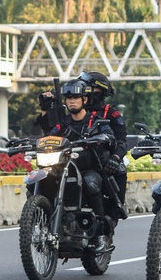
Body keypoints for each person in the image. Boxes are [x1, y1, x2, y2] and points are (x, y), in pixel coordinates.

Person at [49, 79, 116, 252]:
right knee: (41, 180)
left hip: (88, 168)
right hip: (62, 168)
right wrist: (27, 143)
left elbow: (110, 136)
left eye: (76, 97)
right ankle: (39, 222)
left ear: (84, 100)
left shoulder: (95, 121)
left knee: (90, 183)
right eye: (68, 98)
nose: (72, 101)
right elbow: (50, 137)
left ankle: (101, 235)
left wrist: (104, 138)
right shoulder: (63, 124)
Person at [78, 70, 128, 221]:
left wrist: (115, 157)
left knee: (119, 170)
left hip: (101, 160)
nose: (85, 93)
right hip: (75, 158)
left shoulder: (111, 114)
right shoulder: (75, 111)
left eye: (89, 89)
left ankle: (111, 215)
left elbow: (122, 141)